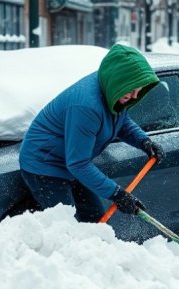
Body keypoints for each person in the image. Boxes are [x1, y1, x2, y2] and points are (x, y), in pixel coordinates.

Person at [19, 44, 165, 223]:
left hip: (72, 161)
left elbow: (120, 119)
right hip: (45, 164)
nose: (135, 97)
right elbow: (78, 164)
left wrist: (144, 142)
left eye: (138, 91)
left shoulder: (112, 90)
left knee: (95, 220)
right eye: (131, 91)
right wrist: (118, 194)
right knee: (66, 226)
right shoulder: (87, 106)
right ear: (118, 81)